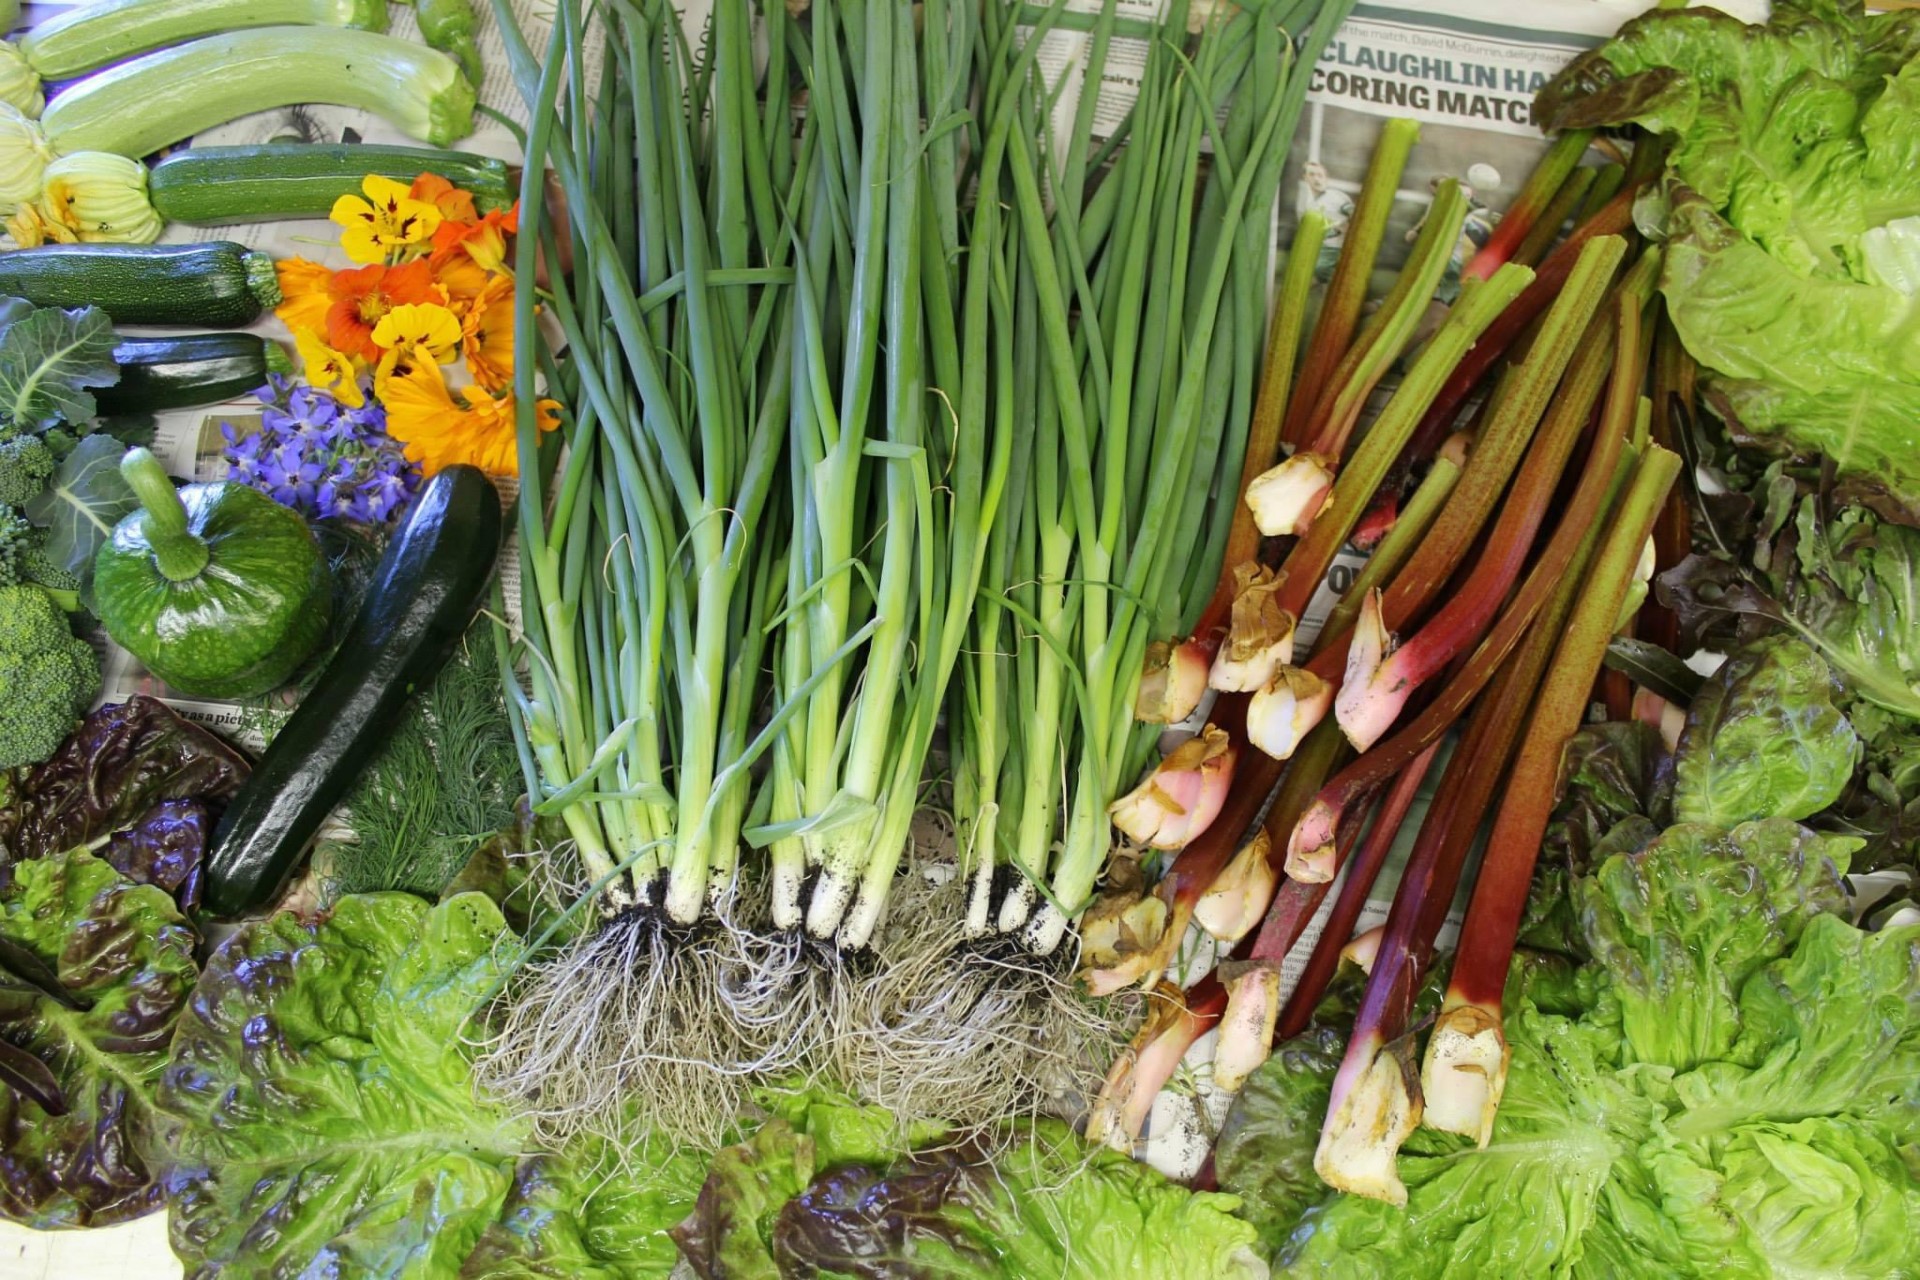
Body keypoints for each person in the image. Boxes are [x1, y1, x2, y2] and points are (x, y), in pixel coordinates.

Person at [1298, 159, 1354, 281]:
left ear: (1326, 178)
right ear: (1305, 178)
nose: (1316, 179)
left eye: (1320, 175)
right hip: (1319, 247)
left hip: (1338, 247)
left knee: (1321, 269)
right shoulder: (1308, 204)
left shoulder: (1336, 197)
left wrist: (1344, 227)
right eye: (1312, 175)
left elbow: (1356, 216)